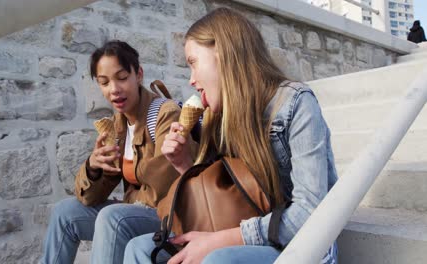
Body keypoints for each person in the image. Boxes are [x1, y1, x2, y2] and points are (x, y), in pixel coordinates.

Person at [124, 8, 338, 264]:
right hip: (234, 233)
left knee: (219, 259)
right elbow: (219, 200)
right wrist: (184, 165)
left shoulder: (295, 103)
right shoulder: (217, 118)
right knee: (139, 248)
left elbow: (310, 214)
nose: (191, 80)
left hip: (296, 247)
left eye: (193, 63)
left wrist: (219, 240)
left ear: (223, 54)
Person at [40, 40, 197, 264]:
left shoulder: (166, 113)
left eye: (122, 78)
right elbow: (91, 197)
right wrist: (94, 168)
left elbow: (167, 178)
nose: (114, 89)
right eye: (104, 82)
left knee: (112, 217)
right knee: (65, 212)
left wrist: (128, 160)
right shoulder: (117, 126)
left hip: (169, 216)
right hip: (134, 211)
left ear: (138, 74)